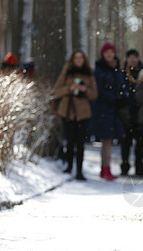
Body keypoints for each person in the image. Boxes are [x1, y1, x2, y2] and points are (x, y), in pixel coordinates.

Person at [53, 50, 98, 180]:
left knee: (80, 143)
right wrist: (70, 88)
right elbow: (56, 91)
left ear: (84, 60)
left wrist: (85, 90)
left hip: (83, 113)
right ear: (72, 60)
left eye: (81, 58)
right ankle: (69, 166)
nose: (78, 60)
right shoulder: (66, 74)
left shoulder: (89, 75)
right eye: (76, 58)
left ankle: (79, 170)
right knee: (70, 141)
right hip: (68, 112)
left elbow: (94, 95)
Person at [94, 42, 127, 180]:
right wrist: (114, 98)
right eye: (107, 52)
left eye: (111, 52)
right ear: (103, 54)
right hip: (104, 109)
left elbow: (122, 85)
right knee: (106, 140)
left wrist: (122, 97)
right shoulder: (99, 70)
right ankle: (105, 168)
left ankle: (105, 168)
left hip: (115, 110)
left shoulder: (117, 70)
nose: (109, 54)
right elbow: (100, 90)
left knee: (110, 140)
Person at [121, 49, 143, 176]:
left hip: (140, 112)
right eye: (130, 57)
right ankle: (124, 166)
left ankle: (139, 167)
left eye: (134, 57)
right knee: (126, 142)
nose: (132, 60)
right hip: (126, 112)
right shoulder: (122, 73)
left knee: (140, 142)